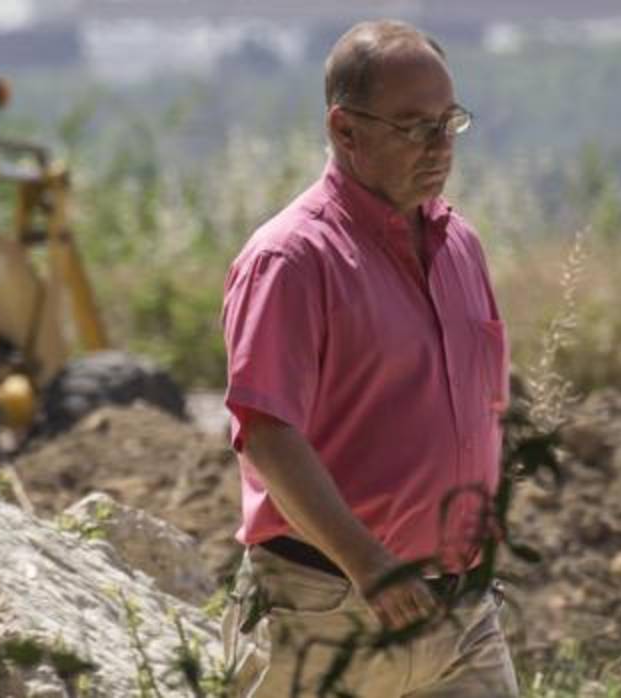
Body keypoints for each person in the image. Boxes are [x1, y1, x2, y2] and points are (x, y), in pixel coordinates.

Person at [220, 19, 518, 697]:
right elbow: (266, 433)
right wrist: (369, 563)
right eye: (413, 125)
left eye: (449, 121)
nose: (440, 145)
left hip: (459, 611)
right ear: (344, 130)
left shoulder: (459, 245)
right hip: (325, 608)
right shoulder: (291, 259)